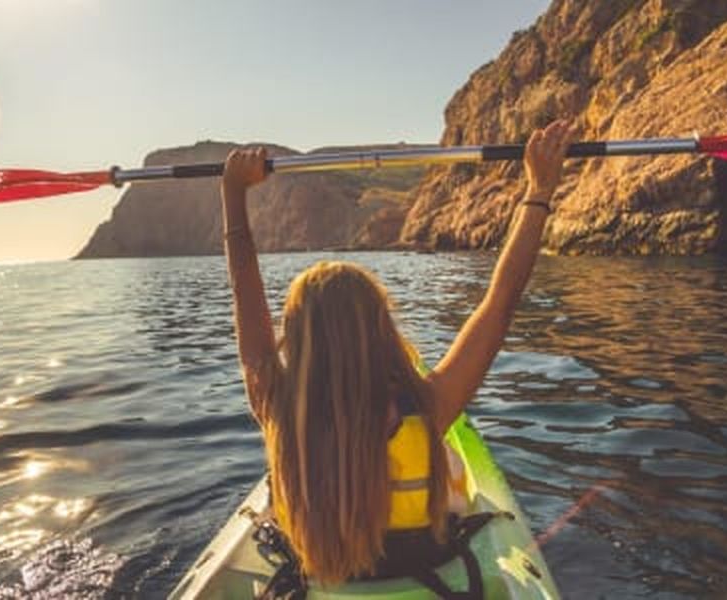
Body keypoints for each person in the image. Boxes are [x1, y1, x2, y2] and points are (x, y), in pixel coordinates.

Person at [220, 120, 575, 586]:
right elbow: (501, 300)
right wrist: (539, 190)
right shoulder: (430, 405)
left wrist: (232, 194)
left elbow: (244, 287)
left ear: (299, 338)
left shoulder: (277, 404)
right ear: (381, 331)